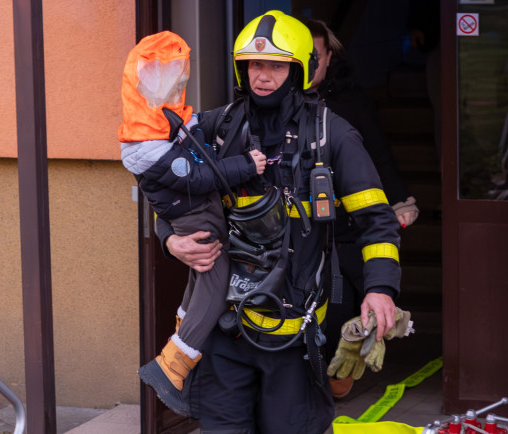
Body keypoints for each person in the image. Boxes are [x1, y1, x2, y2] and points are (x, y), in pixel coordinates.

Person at [155, 11, 402, 433]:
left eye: (275, 65)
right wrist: (169, 241)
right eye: (255, 64)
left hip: (294, 337)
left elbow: (377, 221)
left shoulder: (333, 136)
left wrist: (380, 289)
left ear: (299, 70)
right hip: (224, 329)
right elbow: (167, 194)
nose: (262, 75)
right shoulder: (215, 128)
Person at [117, 31, 268, 415]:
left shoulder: (163, 119)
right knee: (214, 282)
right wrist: (247, 164)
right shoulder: (147, 141)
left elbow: (198, 126)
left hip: (196, 216)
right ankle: (174, 366)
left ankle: (176, 356)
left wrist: (237, 109)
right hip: (194, 219)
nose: (177, 81)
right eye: (168, 74)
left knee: (202, 281)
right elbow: (199, 177)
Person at [302, 17, 419, 398]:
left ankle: (334, 381)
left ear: (329, 57)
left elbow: (379, 154)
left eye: (314, 56)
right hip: (294, 235)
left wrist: (399, 200)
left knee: (341, 312)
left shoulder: (350, 104)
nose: (307, 65)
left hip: (346, 232)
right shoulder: (265, 110)